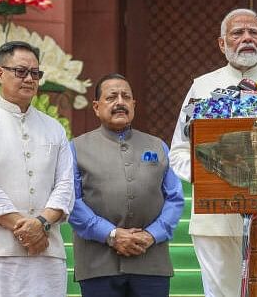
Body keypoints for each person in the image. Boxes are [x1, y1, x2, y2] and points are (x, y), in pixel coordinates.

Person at [169, 8, 257, 297]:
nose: (247, 38)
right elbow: (179, 152)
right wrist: (216, 176)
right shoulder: (202, 87)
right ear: (222, 43)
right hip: (216, 219)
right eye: (237, 33)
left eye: (253, 32)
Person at [0, 41, 74, 297]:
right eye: (21, 71)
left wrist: (41, 224)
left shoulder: (54, 128)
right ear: (0, 73)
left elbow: (65, 186)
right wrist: (29, 230)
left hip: (47, 252)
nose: (29, 79)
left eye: (35, 73)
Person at [69, 73, 184, 297]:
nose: (120, 102)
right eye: (112, 97)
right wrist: (110, 234)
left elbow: (175, 199)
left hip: (150, 260)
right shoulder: (76, 148)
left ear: (134, 104)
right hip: (97, 263)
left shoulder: (158, 146)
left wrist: (152, 235)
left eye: (126, 97)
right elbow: (71, 200)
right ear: (96, 106)